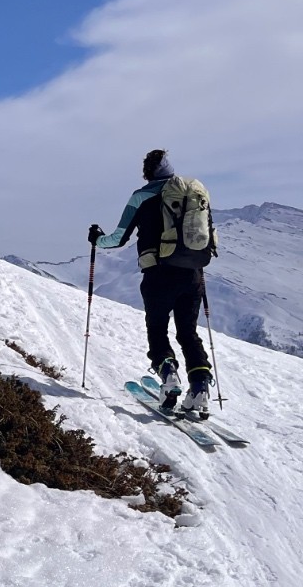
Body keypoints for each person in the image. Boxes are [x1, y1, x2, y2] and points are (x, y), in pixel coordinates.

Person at [89, 148, 218, 418]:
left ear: (147, 173)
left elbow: (119, 238)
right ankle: (200, 389)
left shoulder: (142, 196)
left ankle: (169, 376)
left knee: (157, 328)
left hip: (158, 274)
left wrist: (96, 239)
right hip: (193, 274)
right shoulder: (194, 192)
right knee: (188, 333)